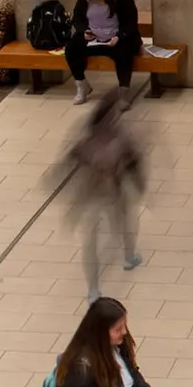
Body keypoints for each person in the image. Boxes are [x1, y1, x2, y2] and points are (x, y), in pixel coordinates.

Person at [69, 92, 146, 300]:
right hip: (113, 191)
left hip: (92, 194)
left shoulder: (87, 140)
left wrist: (73, 207)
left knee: (91, 241)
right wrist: (140, 186)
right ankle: (129, 256)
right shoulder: (120, 138)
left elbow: (70, 165)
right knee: (125, 222)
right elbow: (134, 164)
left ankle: (93, 289)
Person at [66, 0, 144, 104]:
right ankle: (82, 85)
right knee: (71, 48)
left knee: (124, 54)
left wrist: (119, 36)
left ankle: (124, 91)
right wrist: (84, 31)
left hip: (117, 38)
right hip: (94, 37)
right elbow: (77, 17)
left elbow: (130, 22)